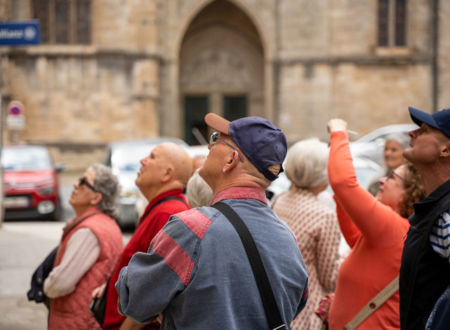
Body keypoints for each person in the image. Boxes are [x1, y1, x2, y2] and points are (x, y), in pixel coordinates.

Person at [116, 114, 309, 329]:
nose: (209, 146)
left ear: (230, 160)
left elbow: (134, 300)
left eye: (217, 139)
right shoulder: (288, 237)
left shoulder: (192, 228)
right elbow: (297, 304)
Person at [326, 118, 426, 330]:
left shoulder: (392, 227)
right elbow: (354, 237)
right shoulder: (393, 229)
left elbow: (343, 183)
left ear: (409, 193)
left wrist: (338, 133)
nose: (382, 180)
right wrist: (345, 198)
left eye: (392, 178)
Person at [96, 142, 192, 330]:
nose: (142, 161)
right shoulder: (160, 209)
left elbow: (159, 288)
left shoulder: (168, 214)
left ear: (167, 173)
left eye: (152, 157)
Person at [272, 138, 341, 330]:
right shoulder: (325, 215)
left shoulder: (280, 199)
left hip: (278, 300)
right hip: (307, 310)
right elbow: (329, 278)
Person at [45, 163, 122, 330]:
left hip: (77, 322)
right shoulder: (104, 223)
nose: (75, 184)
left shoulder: (89, 230)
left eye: (83, 182)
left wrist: (46, 286)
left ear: (96, 198)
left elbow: (60, 283)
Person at [399, 107, 450, 329]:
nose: (412, 134)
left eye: (425, 130)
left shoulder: (446, 214)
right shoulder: (436, 208)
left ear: (446, 149)